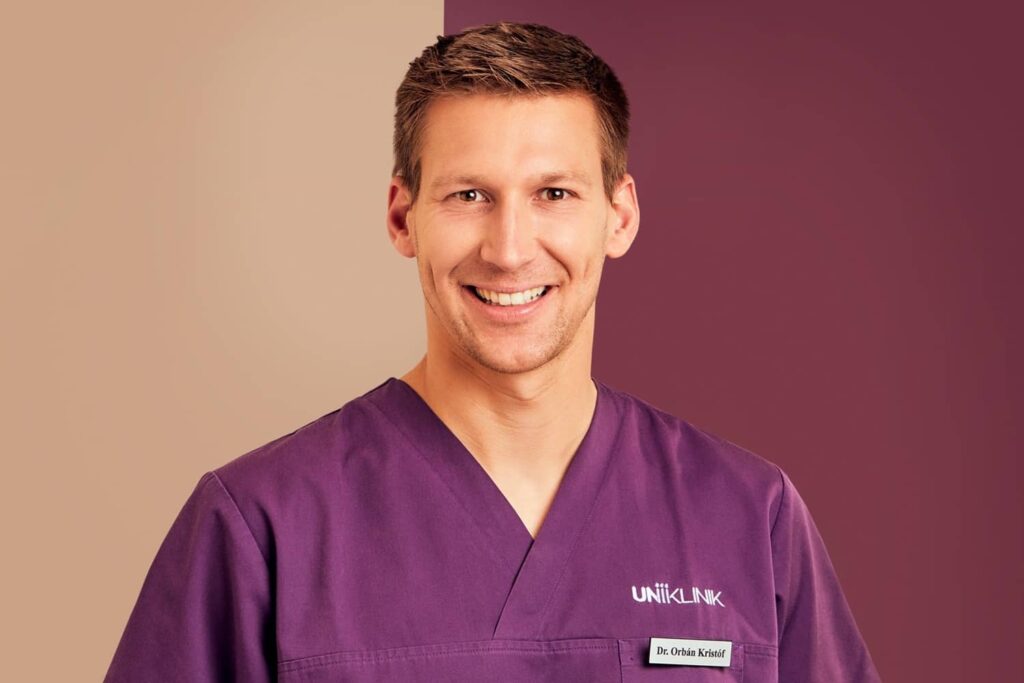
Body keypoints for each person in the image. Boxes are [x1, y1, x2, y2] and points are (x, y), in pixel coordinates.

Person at [105, 21, 881, 682]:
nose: (509, 250)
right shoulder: (262, 527)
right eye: (469, 195)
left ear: (619, 215)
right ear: (403, 217)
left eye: (554, 194)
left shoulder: (749, 518)